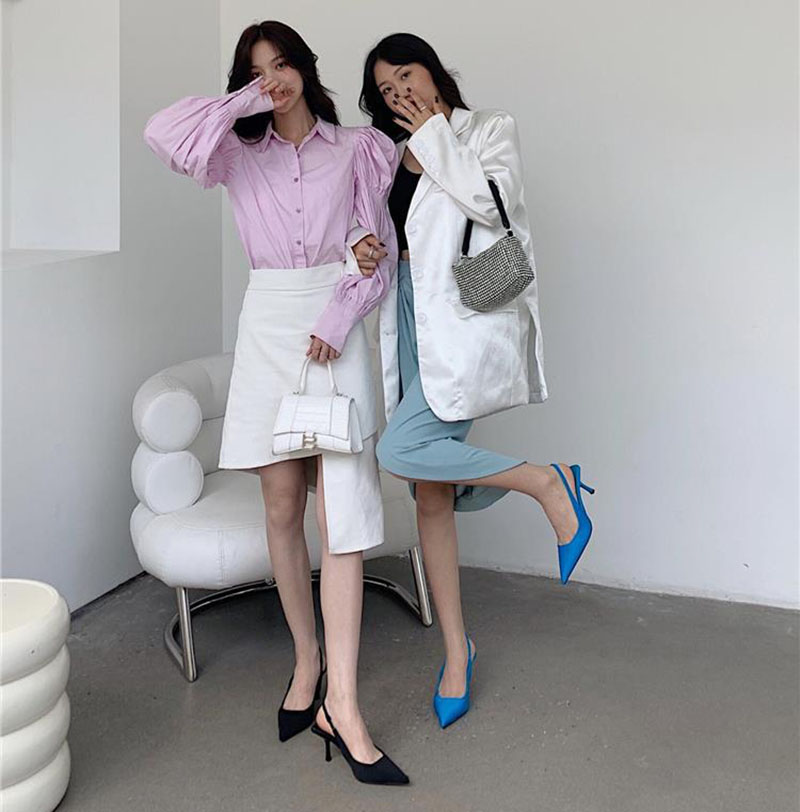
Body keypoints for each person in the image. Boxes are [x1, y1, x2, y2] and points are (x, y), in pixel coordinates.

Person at [144, 20, 409, 785]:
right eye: (258, 71)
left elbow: (380, 253)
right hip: (268, 326)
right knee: (283, 509)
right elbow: (163, 134)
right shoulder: (235, 154)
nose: (275, 79)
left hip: (335, 325)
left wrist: (338, 316)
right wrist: (242, 103)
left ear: (307, 66)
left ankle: (344, 705)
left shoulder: (359, 149)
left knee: (345, 514)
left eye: (283, 64)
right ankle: (306, 663)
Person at [356, 33, 595, 729]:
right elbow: (387, 232)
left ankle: (547, 482)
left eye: (407, 74)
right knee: (428, 492)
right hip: (406, 313)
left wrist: (434, 133)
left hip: (459, 322)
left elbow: (493, 205)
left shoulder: (487, 129)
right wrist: (363, 247)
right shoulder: (388, 152)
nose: (399, 91)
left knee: (401, 451)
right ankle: (456, 653)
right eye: (386, 87)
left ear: (434, 71)